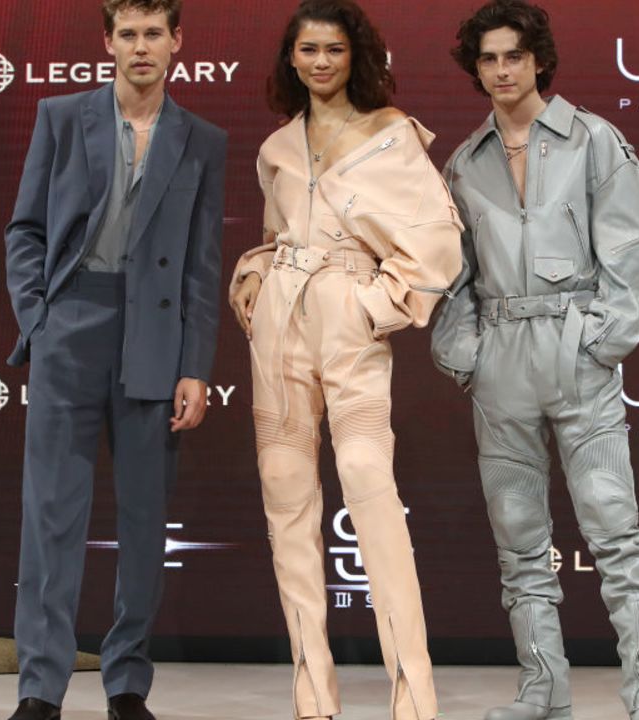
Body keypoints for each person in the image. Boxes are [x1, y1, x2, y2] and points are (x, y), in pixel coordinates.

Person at [431, 1, 639, 719]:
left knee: (614, 532)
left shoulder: (595, 140)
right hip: (500, 361)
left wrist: (600, 343)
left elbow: (632, 251)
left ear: (538, 58)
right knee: (520, 543)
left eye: (513, 55)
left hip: (578, 356)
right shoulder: (463, 165)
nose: (502, 70)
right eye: (488, 58)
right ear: (476, 68)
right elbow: (451, 277)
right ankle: (543, 690)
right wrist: (465, 357)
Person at [228, 1, 462, 717]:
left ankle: (413, 691)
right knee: (283, 484)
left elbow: (438, 246)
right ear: (290, 59)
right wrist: (255, 276)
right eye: (308, 49)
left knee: (364, 474)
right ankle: (312, 689)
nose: (321, 61)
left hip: (348, 319)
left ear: (356, 55)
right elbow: (275, 230)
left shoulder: (392, 137)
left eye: (334, 48)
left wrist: (373, 306)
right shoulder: (276, 147)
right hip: (278, 328)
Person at [2, 0, 226, 717]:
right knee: (52, 515)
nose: (140, 47)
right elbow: (26, 230)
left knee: (143, 518)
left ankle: (127, 682)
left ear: (176, 42)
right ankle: (41, 687)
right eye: (127, 34)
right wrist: (39, 322)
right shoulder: (63, 117)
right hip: (71, 326)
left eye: (153, 34)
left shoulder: (201, 139)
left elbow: (201, 265)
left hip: (155, 335)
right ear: (107, 42)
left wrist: (196, 363)